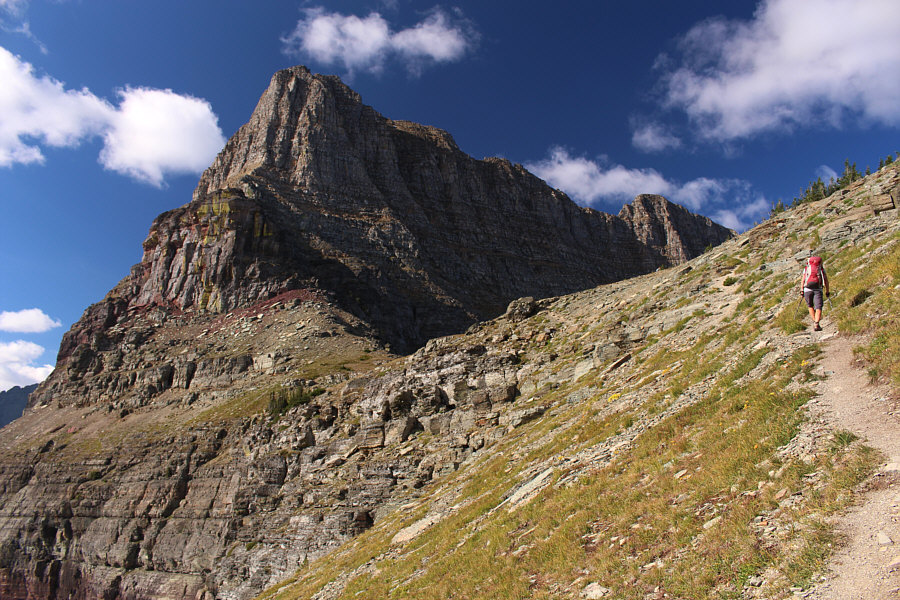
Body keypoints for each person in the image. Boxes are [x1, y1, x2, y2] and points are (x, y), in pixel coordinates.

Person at [800, 253, 830, 331]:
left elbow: (803, 279)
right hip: (818, 289)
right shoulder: (821, 269)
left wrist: (801, 290)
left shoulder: (806, 268)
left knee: (810, 306)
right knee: (818, 307)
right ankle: (816, 323)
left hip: (807, 289)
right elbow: (826, 280)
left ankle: (815, 322)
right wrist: (827, 291)